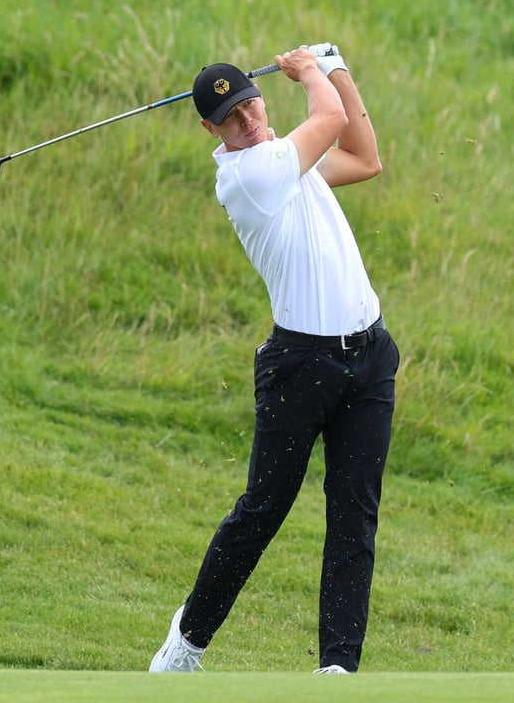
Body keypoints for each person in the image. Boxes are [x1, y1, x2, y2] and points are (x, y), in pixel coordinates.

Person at [150, 45, 398, 675]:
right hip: (299, 366)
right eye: (232, 116)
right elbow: (332, 121)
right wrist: (313, 69)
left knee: (355, 515)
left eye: (250, 103)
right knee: (264, 508)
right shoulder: (248, 176)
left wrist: (340, 67)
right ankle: (184, 644)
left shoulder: (290, 158)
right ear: (212, 128)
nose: (249, 118)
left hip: (369, 356)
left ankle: (339, 667)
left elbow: (367, 158)